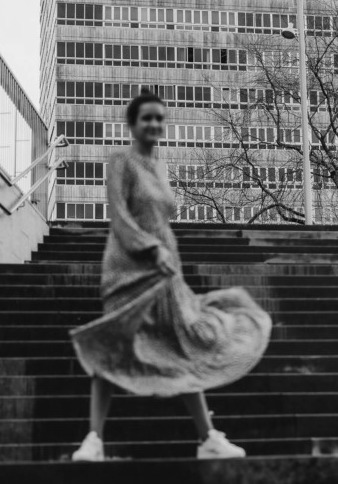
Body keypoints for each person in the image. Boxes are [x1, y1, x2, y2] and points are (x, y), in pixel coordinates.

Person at [69, 89, 271, 461]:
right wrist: (151, 248)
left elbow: (161, 220)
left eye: (159, 118)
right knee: (111, 346)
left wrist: (167, 257)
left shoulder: (160, 167)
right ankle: (93, 440)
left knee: (182, 345)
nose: (154, 124)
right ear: (132, 124)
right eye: (147, 117)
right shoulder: (120, 161)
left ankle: (208, 438)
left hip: (165, 270)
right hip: (128, 270)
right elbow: (119, 217)